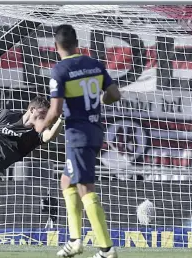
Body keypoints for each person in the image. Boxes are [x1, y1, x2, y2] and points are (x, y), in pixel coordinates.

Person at [35, 24, 121, 258]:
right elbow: (114, 94)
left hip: (78, 135)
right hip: (94, 131)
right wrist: (97, 101)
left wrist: (41, 127)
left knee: (85, 188)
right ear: (77, 44)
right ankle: (75, 241)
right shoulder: (94, 64)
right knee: (67, 182)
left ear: (56, 46)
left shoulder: (60, 71)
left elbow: (55, 110)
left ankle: (106, 249)